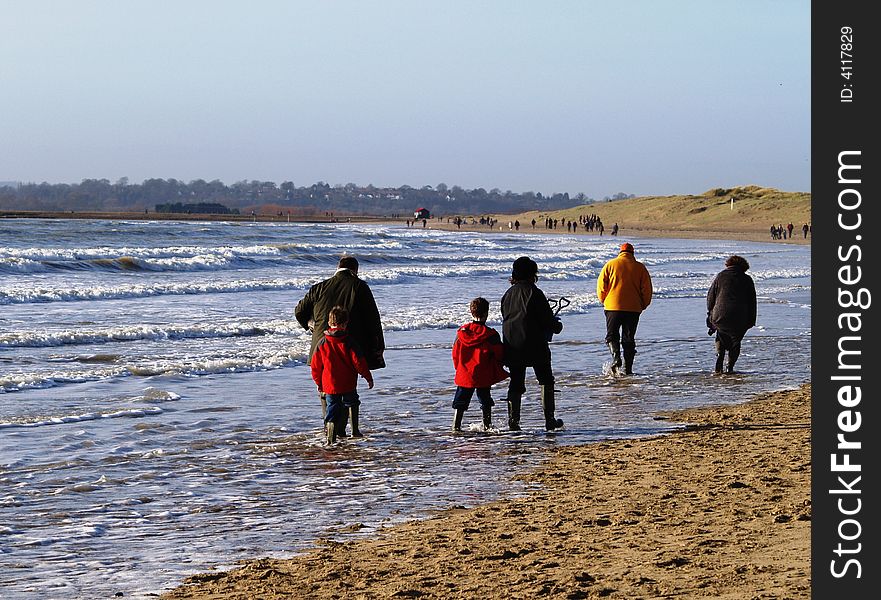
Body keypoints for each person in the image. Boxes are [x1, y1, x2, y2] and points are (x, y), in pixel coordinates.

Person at [295, 256, 385, 437]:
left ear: (337, 267)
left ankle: (329, 426)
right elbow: (373, 320)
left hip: (321, 346)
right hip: (347, 346)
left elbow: (299, 311)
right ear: (355, 270)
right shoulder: (359, 287)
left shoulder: (319, 287)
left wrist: (311, 326)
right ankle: (341, 431)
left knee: (325, 388)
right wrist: (378, 348)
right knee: (346, 388)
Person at [500, 257, 564, 431]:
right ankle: (549, 420)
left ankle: (514, 423)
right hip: (535, 345)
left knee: (516, 383)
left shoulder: (507, 294)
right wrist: (557, 326)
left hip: (512, 345)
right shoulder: (535, 293)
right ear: (533, 273)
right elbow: (547, 321)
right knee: (545, 380)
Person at [310, 306, 374, 444]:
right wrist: (367, 376)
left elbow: (316, 366)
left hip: (330, 384)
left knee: (332, 406)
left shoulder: (322, 343)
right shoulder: (349, 342)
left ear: (329, 323)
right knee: (353, 402)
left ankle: (330, 430)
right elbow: (359, 362)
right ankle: (355, 430)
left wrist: (318, 382)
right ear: (345, 324)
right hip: (348, 383)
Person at [451, 297, 509, 431]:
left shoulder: (461, 333)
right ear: (486, 313)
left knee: (460, 401)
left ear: (472, 312)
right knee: (485, 399)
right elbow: (499, 353)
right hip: (483, 373)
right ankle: (487, 426)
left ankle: (456, 426)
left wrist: (458, 368)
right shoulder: (491, 335)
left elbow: (455, 354)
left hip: (465, 373)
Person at [596, 242, 653, 375]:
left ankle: (616, 358)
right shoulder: (640, 268)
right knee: (628, 338)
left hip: (612, 306)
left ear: (620, 252)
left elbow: (601, 287)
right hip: (633, 308)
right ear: (632, 253)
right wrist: (643, 304)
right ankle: (628, 369)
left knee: (611, 336)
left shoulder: (610, 265)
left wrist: (604, 300)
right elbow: (647, 290)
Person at [706, 255, 757, 373]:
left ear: (728, 265)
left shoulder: (720, 276)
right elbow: (752, 302)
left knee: (720, 336)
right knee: (735, 342)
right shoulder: (747, 279)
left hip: (720, 316)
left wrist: (710, 313)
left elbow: (710, 297)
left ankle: (719, 357)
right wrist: (751, 320)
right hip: (740, 318)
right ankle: (730, 367)